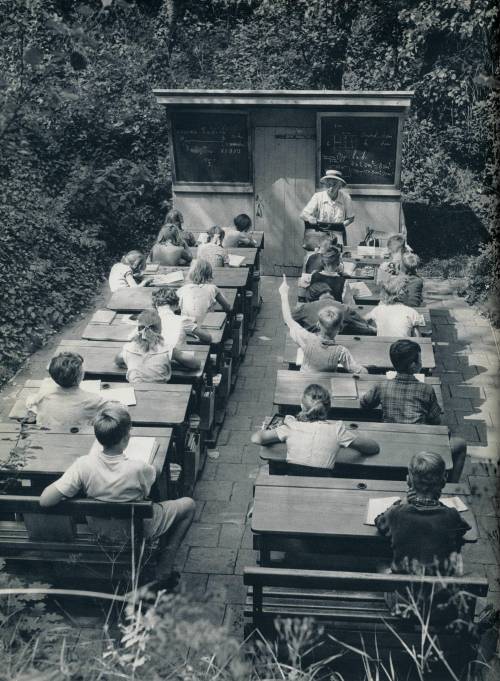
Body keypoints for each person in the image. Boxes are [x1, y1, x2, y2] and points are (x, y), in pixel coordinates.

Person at [39, 403, 196, 589]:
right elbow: (156, 473)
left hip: (100, 529)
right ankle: (165, 564)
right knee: (189, 505)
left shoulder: (83, 465)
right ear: (126, 438)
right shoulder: (138, 468)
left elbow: (45, 500)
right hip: (136, 530)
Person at [359, 339, 467, 482]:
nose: (422, 363)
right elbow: (436, 421)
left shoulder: (382, 386)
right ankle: (451, 487)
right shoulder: (426, 389)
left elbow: (364, 404)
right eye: (420, 360)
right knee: (460, 444)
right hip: (418, 447)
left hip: (388, 441)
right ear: (413, 365)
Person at [375, 451, 470, 576]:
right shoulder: (452, 515)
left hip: (403, 591)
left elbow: (379, 523)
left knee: (379, 564)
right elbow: (463, 528)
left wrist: (404, 501)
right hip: (439, 590)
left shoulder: (396, 513)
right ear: (444, 481)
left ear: (408, 480)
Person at [251, 383, 379, 470]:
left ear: (302, 406)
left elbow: (256, 439)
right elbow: (373, 448)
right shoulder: (337, 429)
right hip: (324, 486)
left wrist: (274, 427)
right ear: (328, 408)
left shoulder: (291, 426)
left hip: (292, 484)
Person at [279, 274, 368, 373]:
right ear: (340, 328)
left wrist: (284, 294)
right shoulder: (342, 351)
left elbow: (288, 319)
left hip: (306, 383)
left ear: (318, 324)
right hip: (327, 386)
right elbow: (358, 370)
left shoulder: (307, 339)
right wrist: (366, 371)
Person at [25, 352, 108, 431]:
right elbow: (116, 408)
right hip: (77, 439)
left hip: (44, 436)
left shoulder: (44, 394)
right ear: (80, 375)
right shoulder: (93, 400)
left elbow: (30, 401)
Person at [115, 310, 200, 384]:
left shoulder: (128, 348)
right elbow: (195, 364)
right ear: (160, 330)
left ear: (138, 329)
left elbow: (117, 360)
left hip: (135, 394)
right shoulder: (166, 348)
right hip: (160, 394)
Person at [292, 283, 376, 336]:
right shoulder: (344, 307)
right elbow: (364, 324)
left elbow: (288, 319)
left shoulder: (305, 308)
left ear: (310, 298)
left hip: (312, 344)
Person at [300, 169, 354, 250]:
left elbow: (351, 218)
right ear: (325, 185)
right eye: (328, 185)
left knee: (337, 258)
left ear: (340, 185)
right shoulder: (318, 196)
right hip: (320, 235)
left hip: (338, 235)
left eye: (334, 185)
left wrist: (341, 226)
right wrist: (310, 218)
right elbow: (303, 214)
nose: (331, 188)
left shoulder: (346, 198)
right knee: (320, 258)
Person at [177, 259, 231, 324]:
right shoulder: (212, 288)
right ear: (209, 274)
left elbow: (176, 307)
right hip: (206, 324)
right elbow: (227, 307)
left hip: (187, 325)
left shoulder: (182, 289)